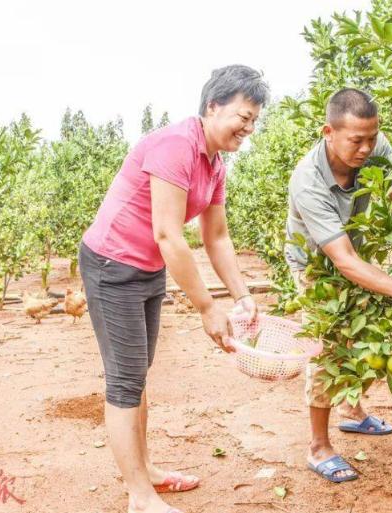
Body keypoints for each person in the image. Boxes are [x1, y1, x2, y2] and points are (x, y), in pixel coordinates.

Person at [79, 65, 268, 513]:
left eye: (255, 120)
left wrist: (240, 294)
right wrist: (206, 306)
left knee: (137, 374)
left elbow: (216, 236)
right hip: (112, 264)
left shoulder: (215, 162)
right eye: (243, 115)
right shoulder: (175, 146)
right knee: (125, 381)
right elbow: (168, 234)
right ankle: (140, 496)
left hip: (146, 269)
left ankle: (146, 474)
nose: (249, 126)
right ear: (212, 106)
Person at [284, 88, 392, 483]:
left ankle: (351, 410)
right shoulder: (307, 181)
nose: (367, 148)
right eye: (356, 140)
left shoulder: (377, 146)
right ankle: (318, 447)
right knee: (329, 346)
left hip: (354, 253)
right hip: (316, 263)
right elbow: (341, 261)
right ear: (328, 131)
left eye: (372, 137)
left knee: (368, 332)